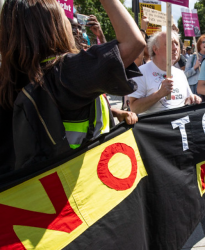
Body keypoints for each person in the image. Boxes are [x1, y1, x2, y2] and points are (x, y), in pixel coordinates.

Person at [0, 0, 145, 171]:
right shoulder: (66, 71)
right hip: (80, 184)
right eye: (63, 17)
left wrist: (114, 111)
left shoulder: (10, 75)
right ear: (52, 27)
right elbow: (134, 42)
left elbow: (50, 114)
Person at [128, 31, 201, 114]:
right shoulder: (141, 72)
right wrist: (159, 94)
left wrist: (193, 99)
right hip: (154, 126)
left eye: (176, 44)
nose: (174, 48)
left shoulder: (180, 73)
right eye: (169, 44)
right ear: (155, 49)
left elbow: (187, 100)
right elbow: (134, 108)